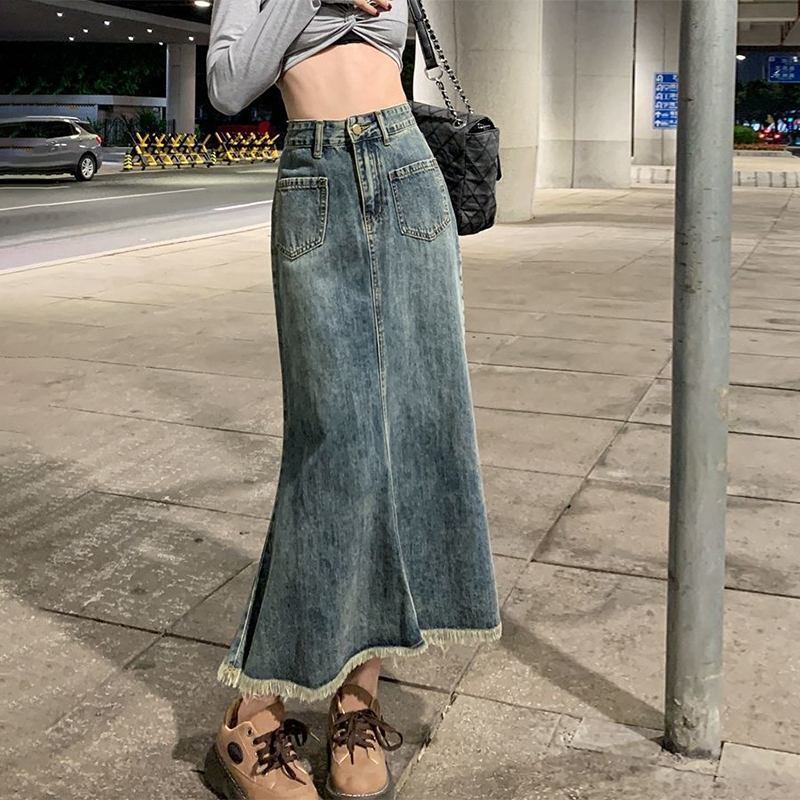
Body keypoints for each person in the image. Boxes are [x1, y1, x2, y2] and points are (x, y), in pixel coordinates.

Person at [203, 1, 501, 798]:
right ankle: (250, 710)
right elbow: (228, 84)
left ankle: (358, 697)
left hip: (407, 172)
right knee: (334, 443)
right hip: (317, 180)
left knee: (417, 428)